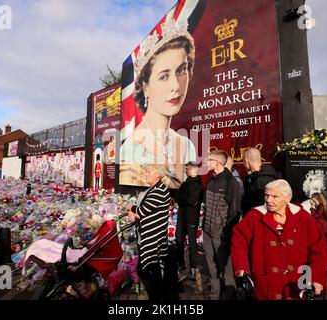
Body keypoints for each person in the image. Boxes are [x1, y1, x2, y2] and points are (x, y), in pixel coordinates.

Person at [119, 18, 196, 188]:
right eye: (164, 76)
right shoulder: (132, 148)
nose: (175, 86)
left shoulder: (186, 145)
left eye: (181, 70)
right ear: (145, 86)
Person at [232, 179, 327, 300]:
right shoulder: (255, 216)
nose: (268, 200)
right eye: (266, 195)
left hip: (298, 283)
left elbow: (320, 250)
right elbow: (238, 239)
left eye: (274, 196)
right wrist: (241, 267)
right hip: (265, 285)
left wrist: (317, 278)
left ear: (287, 198)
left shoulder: (304, 218)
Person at [127, 164, 171, 301]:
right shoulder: (154, 188)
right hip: (149, 235)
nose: (145, 174)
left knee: (145, 269)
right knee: (153, 268)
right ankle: (158, 294)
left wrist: (131, 208)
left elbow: (142, 211)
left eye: (148, 172)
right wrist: (134, 211)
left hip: (153, 237)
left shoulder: (160, 190)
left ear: (157, 175)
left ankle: (156, 296)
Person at [202, 150, 241, 299]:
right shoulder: (211, 181)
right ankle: (214, 294)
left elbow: (235, 213)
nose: (207, 162)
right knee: (211, 267)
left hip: (221, 234)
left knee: (226, 269)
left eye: (209, 160)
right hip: (207, 231)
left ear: (217, 162)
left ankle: (230, 295)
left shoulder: (231, 182)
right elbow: (206, 206)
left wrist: (226, 233)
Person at [175, 161, 204, 281]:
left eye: (187, 169)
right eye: (185, 169)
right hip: (182, 216)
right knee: (179, 240)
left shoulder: (198, 185)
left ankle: (193, 268)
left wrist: (182, 198)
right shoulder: (185, 183)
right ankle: (181, 265)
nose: (185, 171)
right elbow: (178, 197)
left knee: (192, 244)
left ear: (194, 170)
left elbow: (192, 200)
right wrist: (182, 198)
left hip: (191, 218)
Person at [241, 148, 280, 216]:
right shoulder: (268, 175)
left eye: (243, 161)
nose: (244, 164)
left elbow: (260, 206)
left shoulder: (260, 180)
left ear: (246, 161)